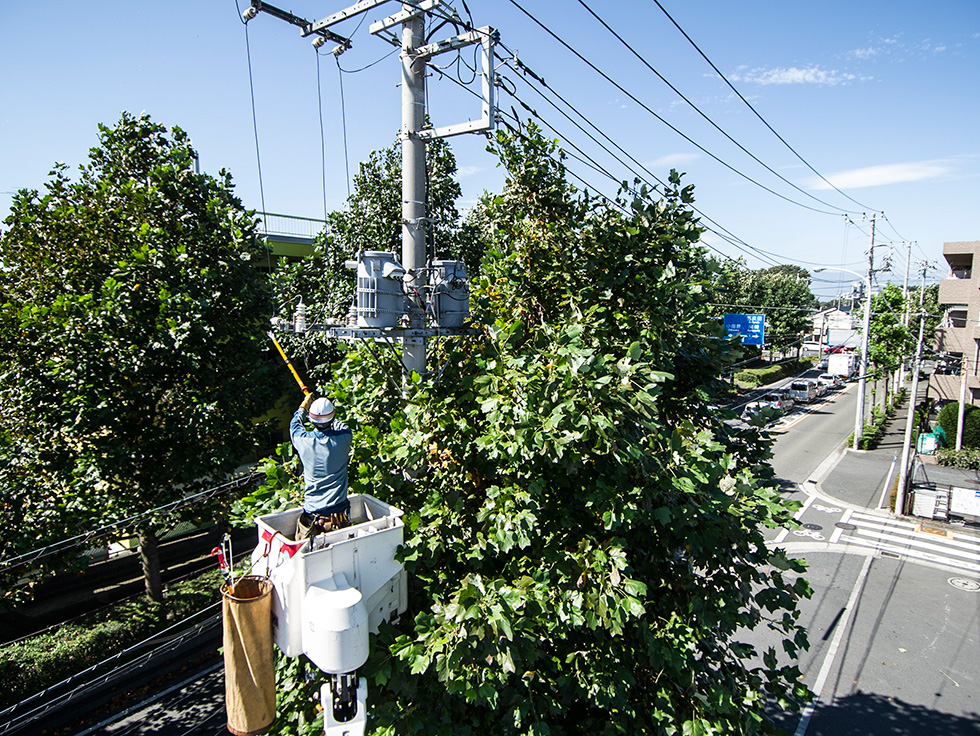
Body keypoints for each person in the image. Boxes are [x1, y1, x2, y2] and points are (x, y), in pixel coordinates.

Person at [290, 393, 353, 540]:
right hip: (338, 516)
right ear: (332, 417)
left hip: (311, 516)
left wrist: (304, 407)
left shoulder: (302, 440)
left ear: (311, 420)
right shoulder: (344, 438)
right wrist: (328, 415)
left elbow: (294, 425)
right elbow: (339, 425)